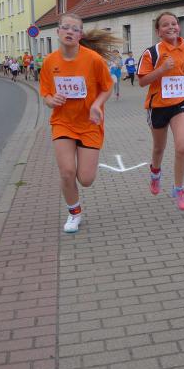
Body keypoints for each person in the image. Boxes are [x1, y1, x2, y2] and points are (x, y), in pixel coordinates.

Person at [39, 13, 117, 232]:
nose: (70, 32)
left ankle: (85, 171)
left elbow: (107, 87)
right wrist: (51, 100)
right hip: (62, 122)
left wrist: (97, 105)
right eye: (66, 27)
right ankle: (74, 213)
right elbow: (45, 94)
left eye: (75, 29)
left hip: (89, 123)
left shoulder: (93, 59)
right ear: (58, 31)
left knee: (86, 179)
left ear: (80, 35)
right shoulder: (49, 61)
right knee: (67, 172)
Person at [137, 11, 184, 211]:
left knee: (182, 147)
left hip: (181, 101)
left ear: (179, 27)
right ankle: (155, 173)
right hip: (158, 106)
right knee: (159, 148)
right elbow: (142, 81)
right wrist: (162, 69)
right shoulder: (151, 53)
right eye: (165, 25)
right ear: (158, 31)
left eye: (174, 23)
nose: (171, 27)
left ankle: (179, 188)